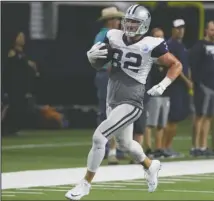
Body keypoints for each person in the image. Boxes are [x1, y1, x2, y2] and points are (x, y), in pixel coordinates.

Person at [65, 4, 182, 200]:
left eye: (135, 22)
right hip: (113, 97)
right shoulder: (112, 35)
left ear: (144, 25)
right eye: (127, 22)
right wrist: (91, 56)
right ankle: (150, 165)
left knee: (99, 137)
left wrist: (163, 85)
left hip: (132, 100)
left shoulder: (152, 44)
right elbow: (97, 63)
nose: (129, 26)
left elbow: (175, 64)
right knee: (126, 144)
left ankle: (85, 183)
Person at [94, 7, 124, 165]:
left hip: (107, 75)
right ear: (110, 20)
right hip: (108, 75)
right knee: (112, 113)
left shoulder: (104, 35)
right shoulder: (106, 35)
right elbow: (99, 56)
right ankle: (111, 150)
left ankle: (107, 148)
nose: (119, 22)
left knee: (107, 113)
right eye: (116, 19)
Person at [189, 21, 214, 157]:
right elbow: (192, 66)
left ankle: (203, 146)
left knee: (209, 117)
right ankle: (195, 146)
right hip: (203, 86)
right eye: (212, 30)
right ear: (206, 31)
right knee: (199, 117)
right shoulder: (200, 46)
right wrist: (197, 83)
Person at [163, 19, 192, 157]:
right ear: (173, 30)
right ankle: (165, 147)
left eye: (182, 28)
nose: (180, 31)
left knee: (176, 118)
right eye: (178, 28)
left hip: (181, 87)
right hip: (174, 86)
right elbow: (175, 67)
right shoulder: (171, 45)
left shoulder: (182, 46)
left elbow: (186, 65)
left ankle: (168, 147)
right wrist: (187, 81)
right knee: (171, 118)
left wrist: (189, 79)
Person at [2, 31, 39, 136]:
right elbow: (11, 67)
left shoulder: (23, 53)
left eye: (23, 37)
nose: (22, 39)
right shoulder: (12, 52)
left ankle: (14, 128)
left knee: (20, 107)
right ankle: (7, 128)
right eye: (20, 37)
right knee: (12, 106)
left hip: (22, 85)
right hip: (13, 85)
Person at [145, 28, 172, 158]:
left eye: (162, 36)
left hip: (165, 92)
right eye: (157, 36)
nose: (160, 39)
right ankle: (148, 148)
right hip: (152, 92)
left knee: (162, 123)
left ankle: (159, 148)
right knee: (150, 123)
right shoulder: (148, 53)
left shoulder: (166, 54)